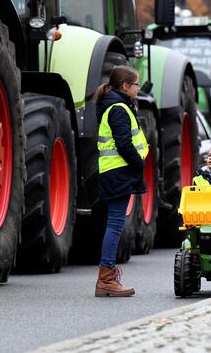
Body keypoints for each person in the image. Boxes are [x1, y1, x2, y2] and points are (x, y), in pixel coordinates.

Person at [93, 65, 148, 297]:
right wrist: (139, 164)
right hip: (119, 172)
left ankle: (107, 276)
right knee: (115, 225)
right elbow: (124, 143)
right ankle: (106, 279)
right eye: (136, 84)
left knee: (114, 224)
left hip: (115, 172)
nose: (138, 88)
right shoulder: (118, 109)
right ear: (125, 86)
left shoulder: (115, 105)